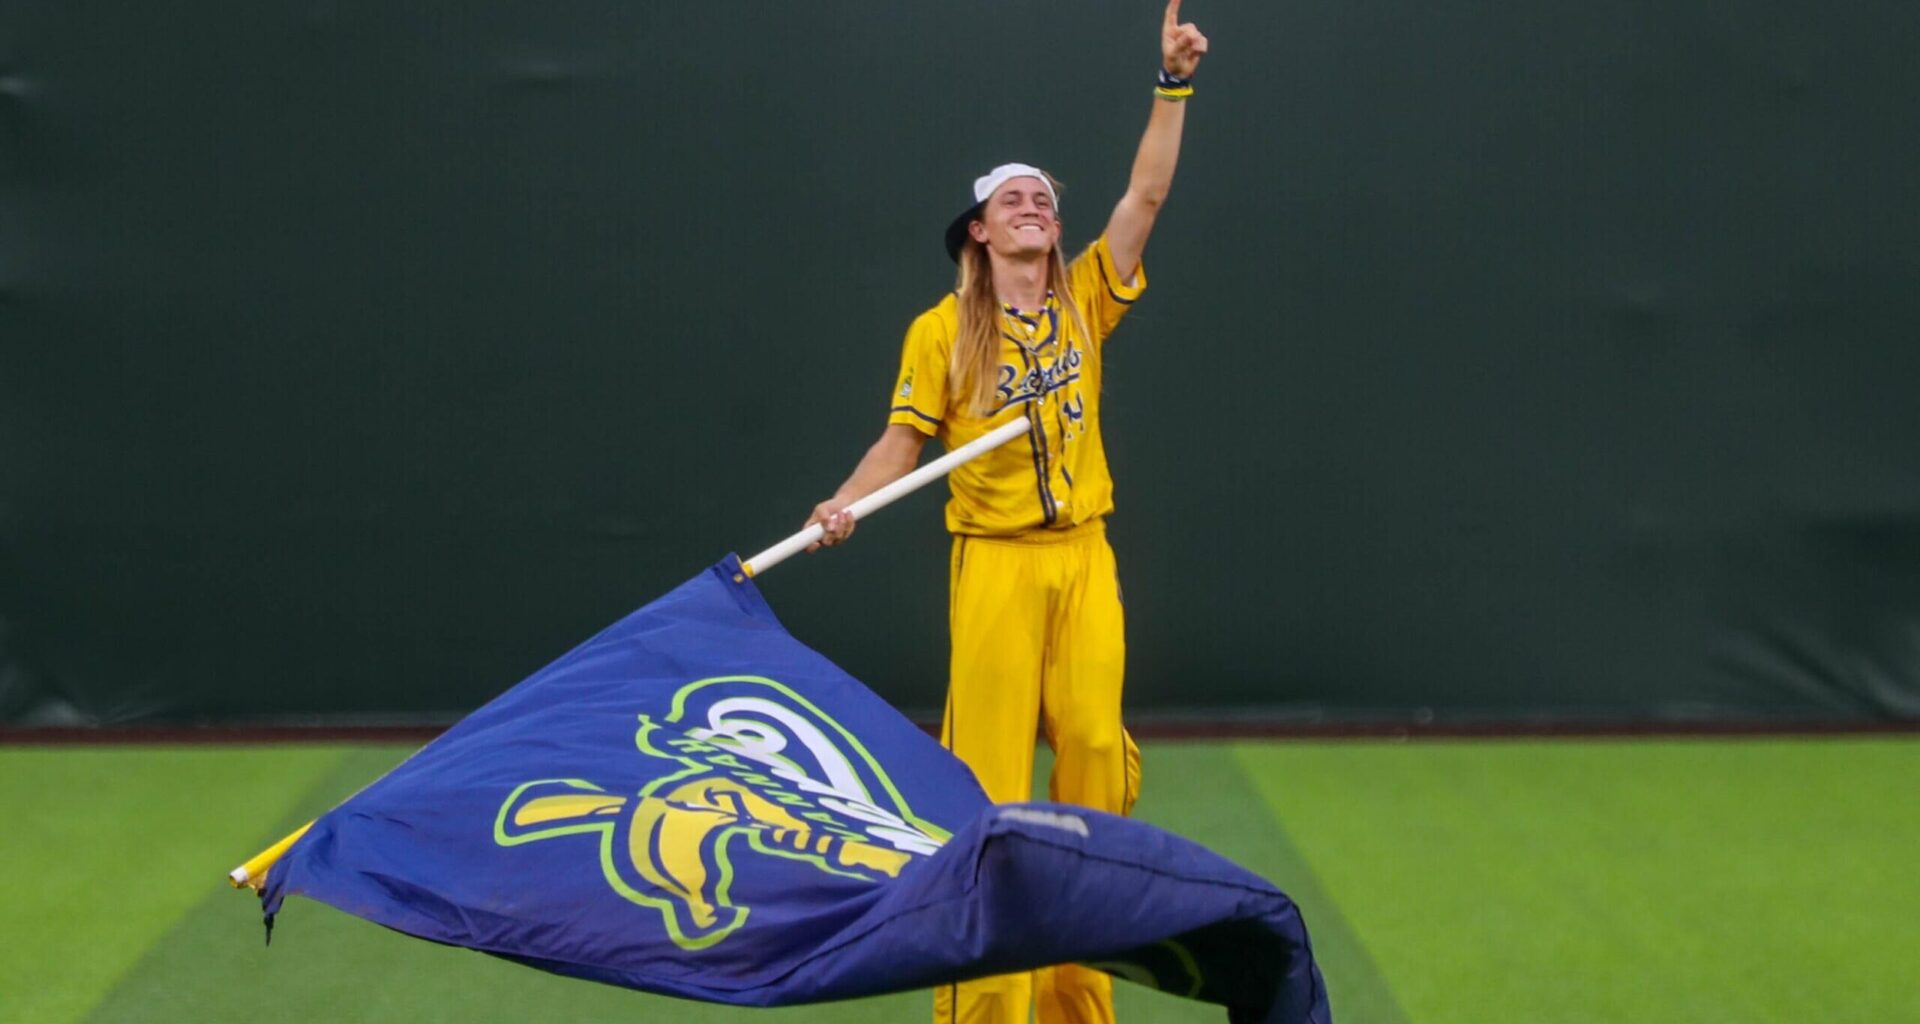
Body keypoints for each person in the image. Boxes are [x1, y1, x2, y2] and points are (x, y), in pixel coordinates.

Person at [804, 3, 1207, 1022]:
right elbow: (902, 446)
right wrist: (843, 505)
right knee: (986, 791)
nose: (1035, 205)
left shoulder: (1083, 298)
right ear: (980, 230)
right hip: (993, 566)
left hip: (1083, 558)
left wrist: (1173, 84)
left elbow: (1148, 192)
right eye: (1013, 198)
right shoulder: (939, 334)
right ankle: (983, 1009)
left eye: (1044, 198)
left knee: (1092, 757)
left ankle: (1078, 997)